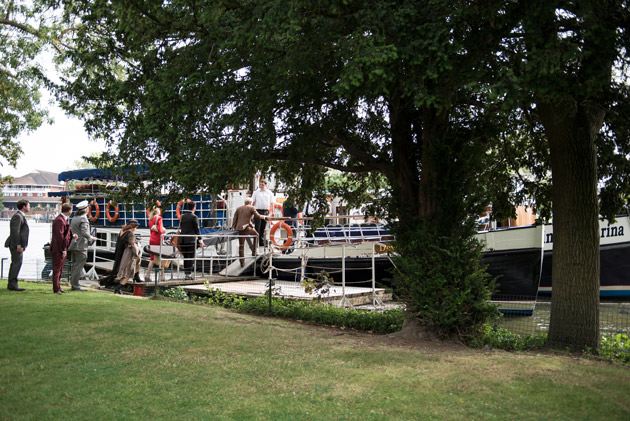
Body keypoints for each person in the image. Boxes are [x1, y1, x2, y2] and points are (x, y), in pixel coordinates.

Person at [68, 200, 98, 291]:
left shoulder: (74, 218)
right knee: (79, 265)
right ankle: (75, 285)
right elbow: (84, 232)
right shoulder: (83, 219)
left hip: (73, 244)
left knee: (74, 265)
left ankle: (73, 283)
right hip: (81, 245)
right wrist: (92, 238)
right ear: (86, 209)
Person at [49, 203, 77, 294]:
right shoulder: (60, 220)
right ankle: (56, 288)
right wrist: (63, 249)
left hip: (61, 247)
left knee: (60, 268)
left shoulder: (63, 219)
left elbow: (66, 231)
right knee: (57, 268)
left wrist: (72, 236)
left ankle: (58, 287)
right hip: (58, 248)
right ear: (69, 211)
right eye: (71, 210)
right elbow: (60, 236)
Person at [231, 198, 267, 267]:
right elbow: (258, 216)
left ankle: (242, 262)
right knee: (256, 235)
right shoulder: (252, 208)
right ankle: (254, 252)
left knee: (241, 245)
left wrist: (233, 227)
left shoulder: (239, 208)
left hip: (239, 228)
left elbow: (234, 218)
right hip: (246, 227)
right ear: (250, 202)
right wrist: (265, 217)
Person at [4, 199, 30, 291]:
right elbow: (15, 231)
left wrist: (23, 245)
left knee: (16, 263)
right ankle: (12, 284)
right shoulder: (18, 217)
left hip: (18, 244)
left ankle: (12, 283)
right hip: (15, 244)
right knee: (16, 263)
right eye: (28, 205)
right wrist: (18, 244)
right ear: (24, 206)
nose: (29, 207)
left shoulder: (20, 216)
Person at [113, 220, 141, 294]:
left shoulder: (122, 231)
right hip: (128, 255)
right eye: (136, 227)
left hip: (121, 253)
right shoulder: (131, 234)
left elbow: (125, 243)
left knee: (123, 271)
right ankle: (119, 288)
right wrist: (137, 246)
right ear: (133, 227)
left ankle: (136, 277)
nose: (136, 229)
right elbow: (131, 245)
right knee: (128, 272)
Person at [179, 201, 203, 280]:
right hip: (190, 240)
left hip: (183, 240)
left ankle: (186, 274)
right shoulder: (194, 217)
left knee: (186, 257)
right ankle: (188, 274)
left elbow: (181, 227)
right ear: (194, 207)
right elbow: (197, 230)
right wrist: (201, 241)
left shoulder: (183, 216)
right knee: (191, 257)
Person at [145, 207, 166, 281]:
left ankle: (147, 275)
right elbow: (160, 230)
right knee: (161, 256)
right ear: (158, 212)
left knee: (152, 258)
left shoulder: (150, 219)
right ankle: (162, 276)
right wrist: (162, 240)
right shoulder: (159, 218)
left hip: (152, 239)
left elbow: (151, 230)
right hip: (158, 239)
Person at [251, 179, 273, 247]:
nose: (261, 186)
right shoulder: (256, 192)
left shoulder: (269, 193)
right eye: (260, 184)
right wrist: (251, 212)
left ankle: (261, 242)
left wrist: (272, 212)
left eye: (262, 185)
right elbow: (253, 202)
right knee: (257, 226)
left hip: (266, 211)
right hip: (258, 211)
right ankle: (256, 242)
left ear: (265, 185)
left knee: (263, 227)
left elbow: (272, 203)